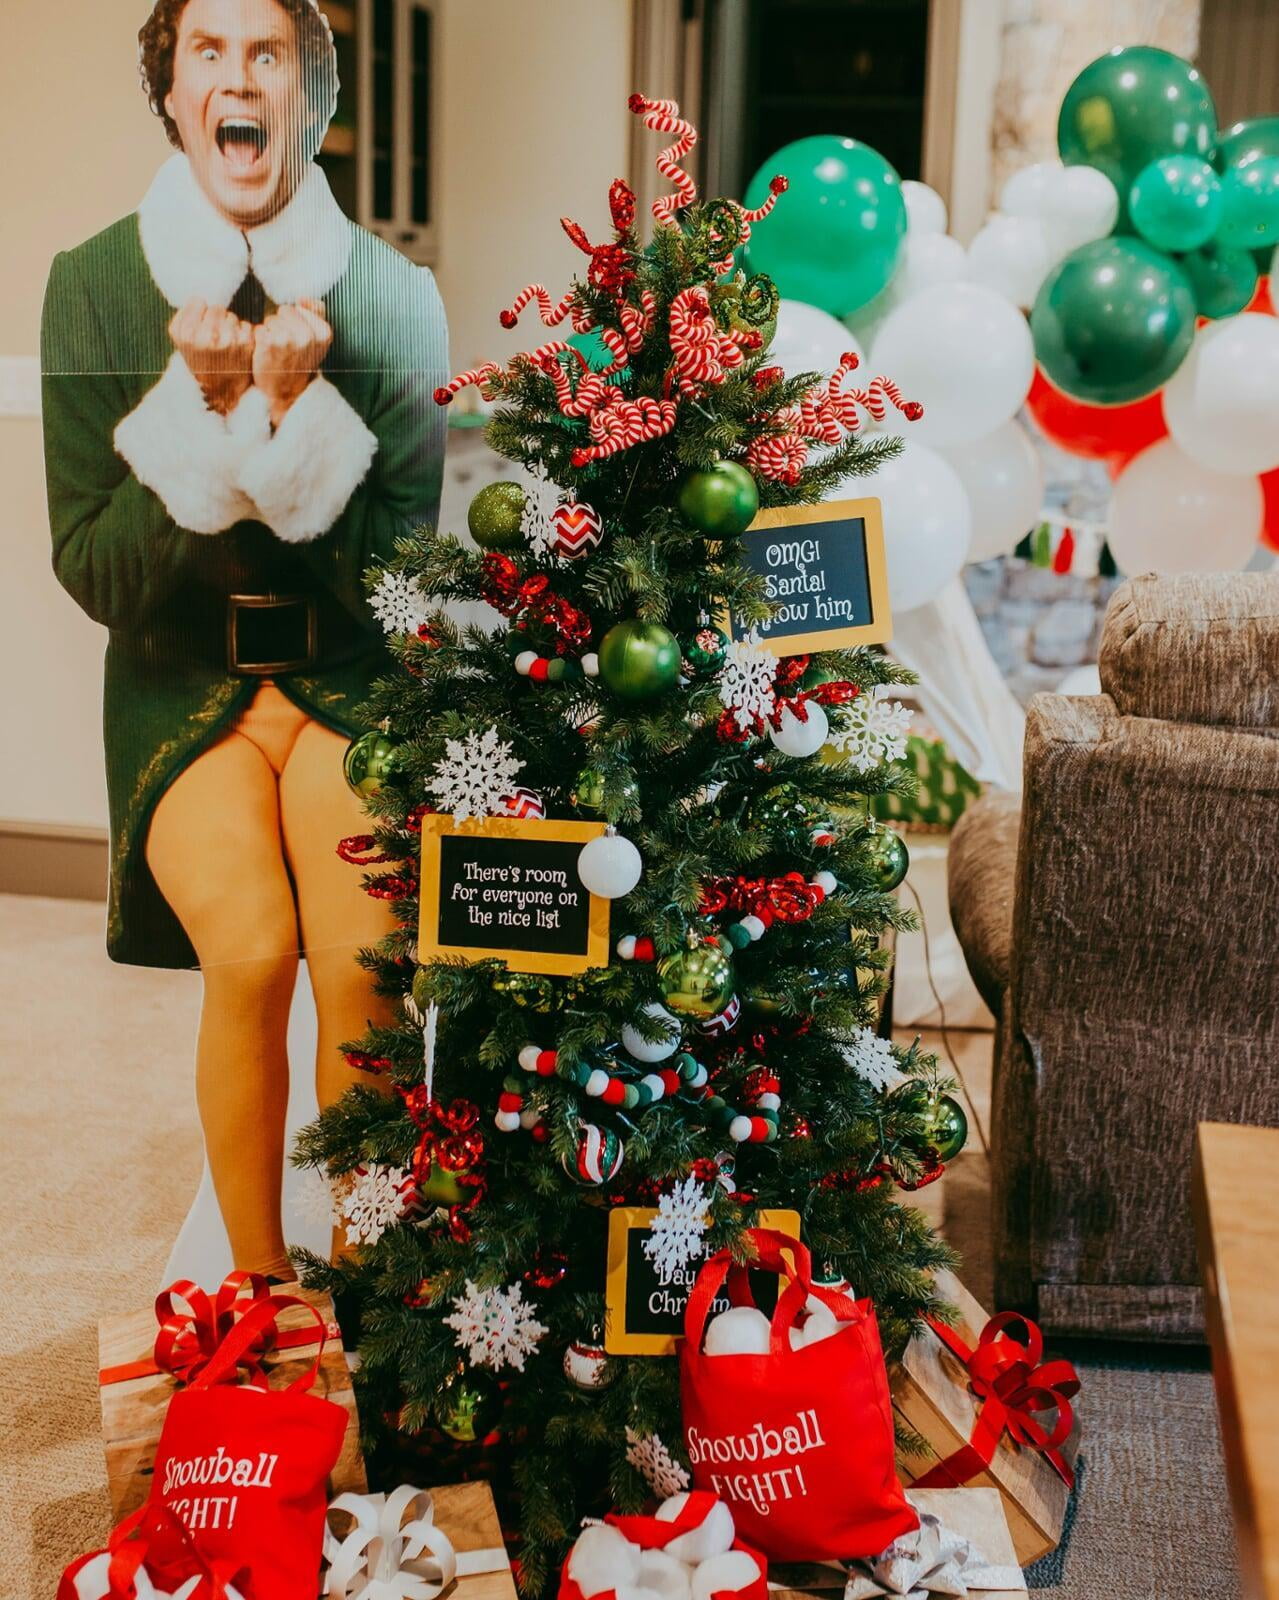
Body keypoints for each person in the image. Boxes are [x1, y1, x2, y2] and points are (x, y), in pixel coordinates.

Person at [40, 0, 447, 1282]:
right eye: (207, 52)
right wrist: (205, 416)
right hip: (182, 685)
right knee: (256, 950)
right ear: (171, 91)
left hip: (346, 682)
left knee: (364, 967)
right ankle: (259, 1291)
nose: (238, 78)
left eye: (267, 53)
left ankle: (372, 1295)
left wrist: (294, 416)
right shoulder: (91, 285)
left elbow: (403, 582)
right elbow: (96, 570)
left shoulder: (396, 296)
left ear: (311, 94)